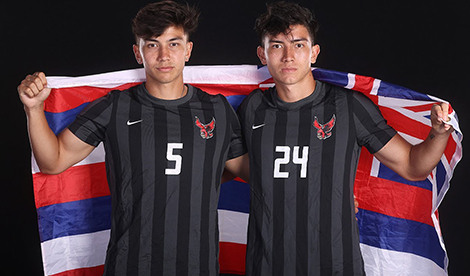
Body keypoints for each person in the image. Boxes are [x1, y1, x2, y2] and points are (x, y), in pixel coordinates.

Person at [18, 1, 248, 275]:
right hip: (130, 265)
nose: (164, 55)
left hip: (197, 266)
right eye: (152, 45)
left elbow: (251, 172)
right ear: (138, 53)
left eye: (173, 44)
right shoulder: (116, 107)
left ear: (188, 50)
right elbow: (52, 161)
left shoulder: (217, 110)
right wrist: (33, 109)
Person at [236, 2, 454, 275]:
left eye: (299, 45)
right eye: (277, 46)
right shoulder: (252, 108)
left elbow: (413, 166)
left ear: (314, 53)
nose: (289, 56)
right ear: (262, 54)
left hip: (335, 265)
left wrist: (438, 132)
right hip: (267, 265)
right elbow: (237, 166)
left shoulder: (348, 107)